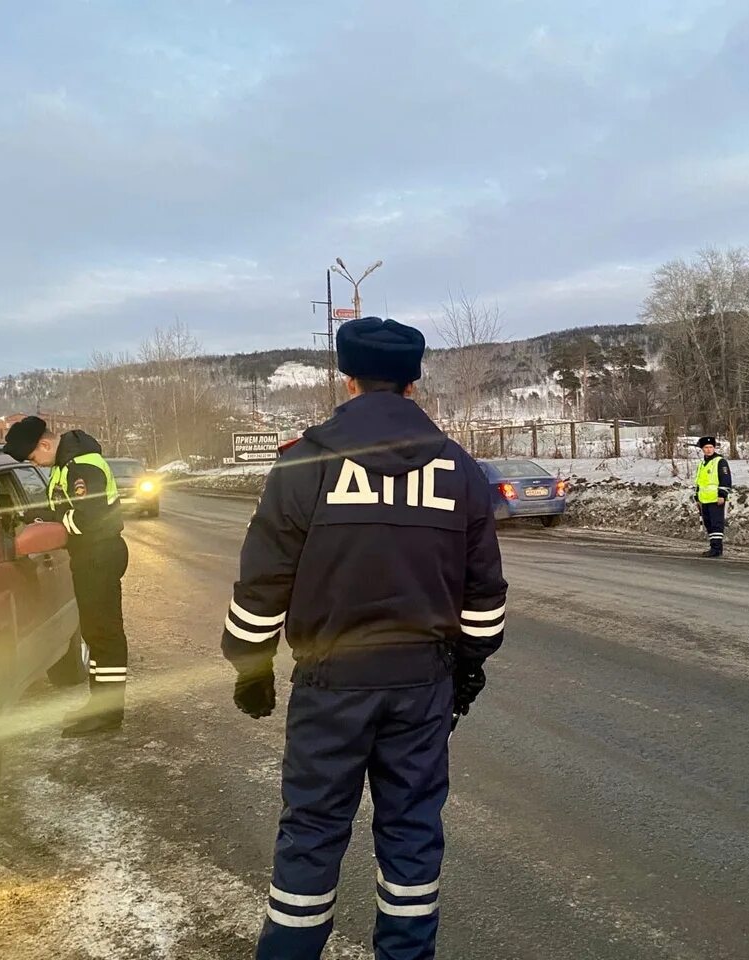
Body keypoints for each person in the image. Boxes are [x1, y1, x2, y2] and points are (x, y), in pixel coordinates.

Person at [222, 317, 508, 960]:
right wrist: (467, 667)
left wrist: (250, 665)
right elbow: (483, 594)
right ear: (413, 381)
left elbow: (262, 582)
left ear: (347, 378)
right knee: (411, 833)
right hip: (422, 684)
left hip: (331, 685)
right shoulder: (460, 470)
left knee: (314, 830)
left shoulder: (305, 463)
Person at [3, 416, 130, 735]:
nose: (38, 464)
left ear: (45, 444)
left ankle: (109, 713)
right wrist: (30, 515)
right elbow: (61, 508)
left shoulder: (82, 466)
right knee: (94, 633)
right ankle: (98, 703)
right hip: (89, 556)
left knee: (105, 635)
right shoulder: (64, 465)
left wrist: (52, 529)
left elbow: (89, 517)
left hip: (100, 554)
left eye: (34, 457)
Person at [693, 436, 732, 557]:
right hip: (704, 499)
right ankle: (713, 546)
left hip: (716, 498)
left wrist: (722, 494)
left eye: (711, 447)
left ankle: (717, 549)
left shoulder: (720, 461)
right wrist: (697, 497)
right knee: (708, 524)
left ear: (714, 448)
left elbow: (725, 479)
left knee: (716, 523)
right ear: (702, 449)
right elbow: (699, 481)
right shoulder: (702, 464)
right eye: (706, 447)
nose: (709, 450)